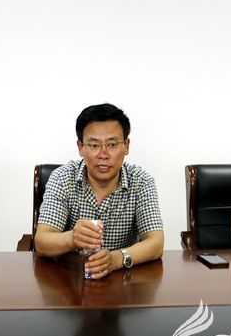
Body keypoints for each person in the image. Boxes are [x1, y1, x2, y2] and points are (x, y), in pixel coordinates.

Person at [34, 103, 164, 279]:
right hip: (67, 280)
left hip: (124, 281)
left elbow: (156, 243)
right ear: (81, 147)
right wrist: (72, 238)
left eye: (112, 144)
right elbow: (41, 242)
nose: (104, 154)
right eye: (94, 145)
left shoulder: (141, 182)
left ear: (126, 146)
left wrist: (116, 259)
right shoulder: (62, 178)